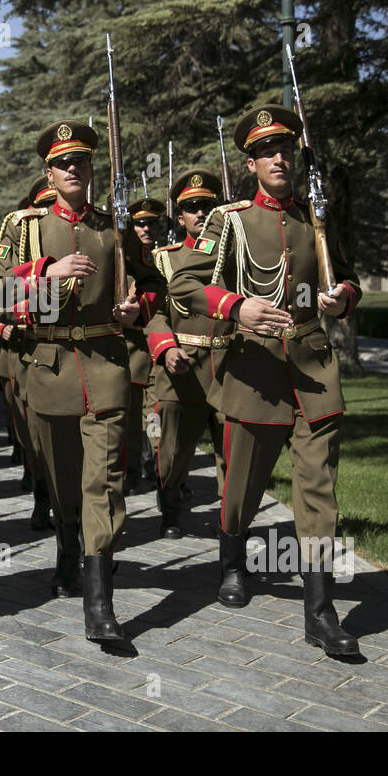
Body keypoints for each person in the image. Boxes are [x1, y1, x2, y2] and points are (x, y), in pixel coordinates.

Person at [170, 105, 362, 656]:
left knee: (318, 487)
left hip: (312, 366)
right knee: (241, 488)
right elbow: (185, 285)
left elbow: (346, 277)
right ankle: (232, 560)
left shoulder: (314, 217)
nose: (280, 158)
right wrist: (235, 307)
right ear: (251, 163)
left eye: (287, 149)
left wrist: (342, 297)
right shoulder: (228, 220)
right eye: (267, 151)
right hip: (253, 369)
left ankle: (321, 614)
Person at [0, 119, 162, 642]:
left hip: (106, 366)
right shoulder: (24, 227)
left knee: (104, 483)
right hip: (49, 368)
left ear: (92, 169)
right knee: (64, 481)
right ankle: (68, 544)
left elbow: (153, 281)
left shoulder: (114, 228)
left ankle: (100, 605)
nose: (72, 169)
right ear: (49, 171)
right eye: (63, 163)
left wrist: (138, 308)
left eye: (81, 161)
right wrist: (46, 270)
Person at [144, 169, 228, 539]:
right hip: (182, 366)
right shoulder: (165, 259)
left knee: (232, 450)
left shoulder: (234, 253)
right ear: (180, 217)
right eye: (192, 207)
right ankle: (171, 506)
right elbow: (155, 313)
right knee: (170, 448)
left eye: (208, 206)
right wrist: (165, 347)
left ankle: (232, 521)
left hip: (229, 365)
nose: (201, 213)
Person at [0, 175, 56, 531]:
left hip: (67, 352)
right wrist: (4, 325)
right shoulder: (18, 238)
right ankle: (42, 496)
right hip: (24, 351)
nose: (47, 214)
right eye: (41, 207)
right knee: (34, 433)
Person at [123, 196, 165, 496]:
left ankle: (157, 464)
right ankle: (133, 469)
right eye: (140, 223)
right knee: (132, 416)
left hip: (161, 350)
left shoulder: (166, 257)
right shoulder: (124, 262)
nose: (146, 228)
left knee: (155, 415)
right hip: (133, 351)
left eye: (151, 222)